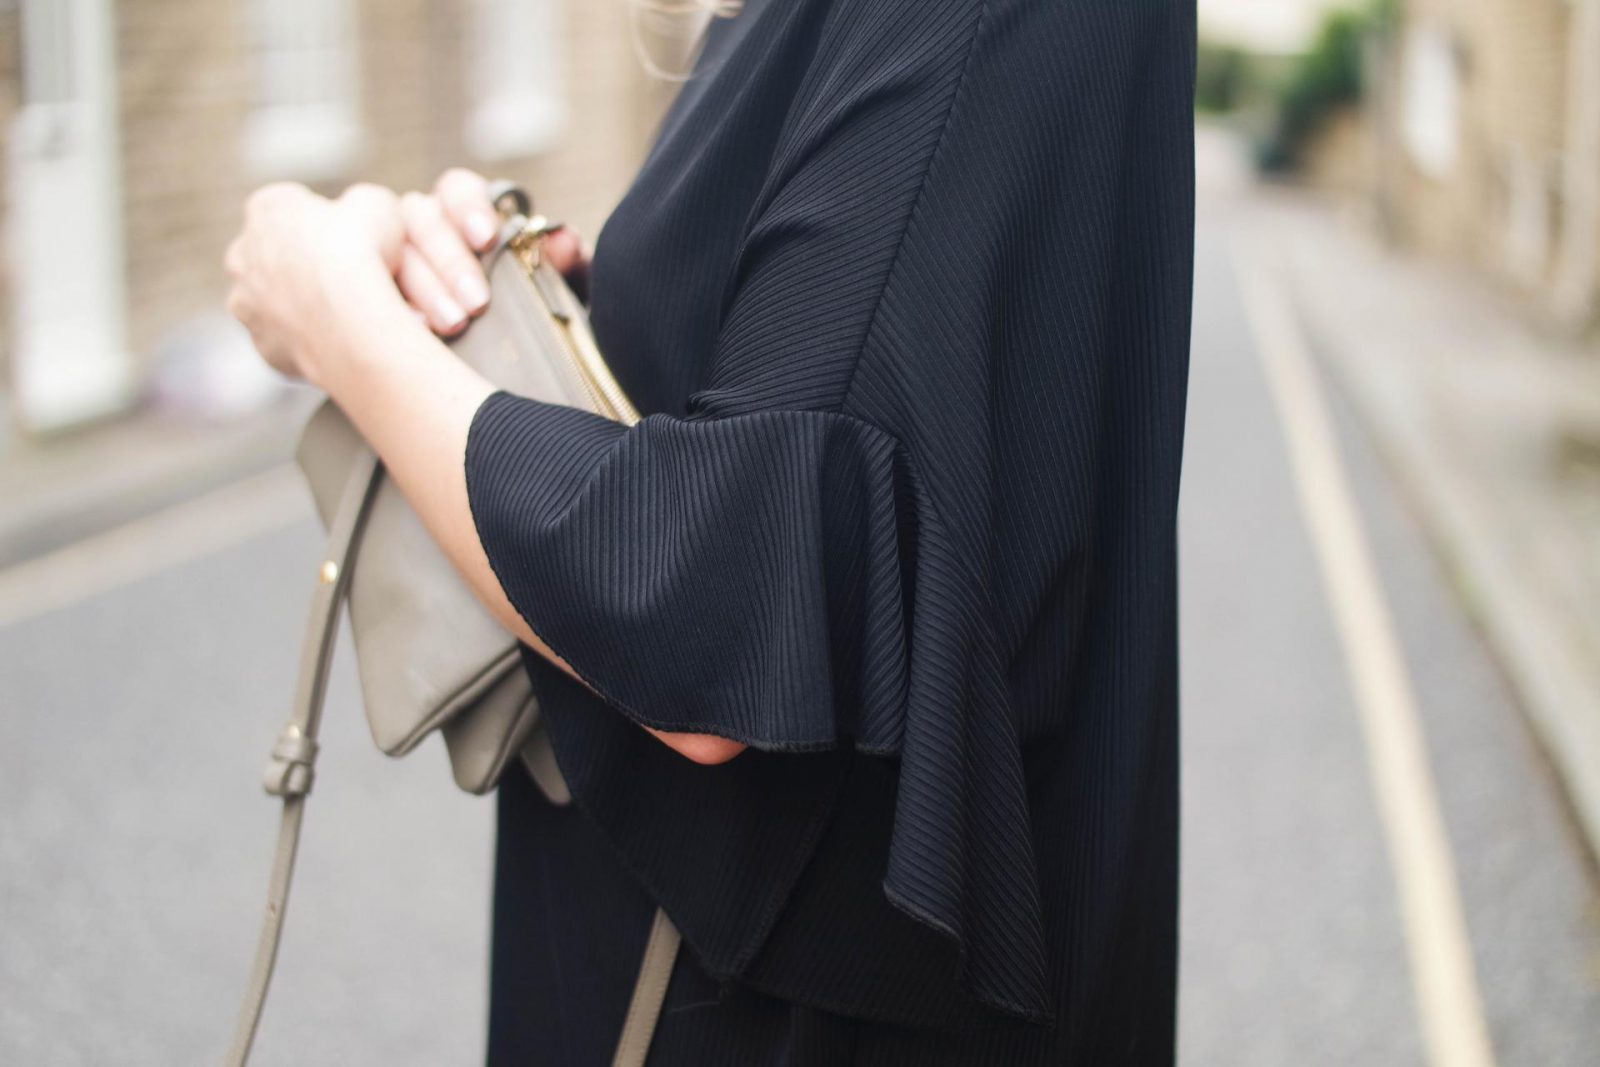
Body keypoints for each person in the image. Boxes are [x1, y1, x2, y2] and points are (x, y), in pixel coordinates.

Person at [223, 0, 1196, 1062]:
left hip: (759, 1009)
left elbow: (720, 614)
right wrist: (509, 305)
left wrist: (335, 319)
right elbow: (853, 402)